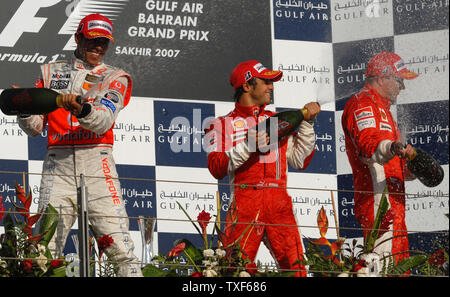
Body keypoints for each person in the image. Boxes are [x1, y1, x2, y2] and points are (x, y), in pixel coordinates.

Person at [17, 13, 142, 276]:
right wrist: (25, 109)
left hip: (98, 164)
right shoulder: (50, 72)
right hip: (58, 164)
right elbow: (35, 128)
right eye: (93, 40)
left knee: (120, 249)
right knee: (43, 249)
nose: (98, 47)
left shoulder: (116, 77)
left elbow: (103, 120)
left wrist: (82, 111)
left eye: (104, 43)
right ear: (78, 37)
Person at [205, 60, 320, 277]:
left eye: (272, 82)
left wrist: (307, 124)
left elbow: (299, 160)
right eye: (266, 81)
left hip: (279, 203)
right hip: (245, 201)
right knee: (235, 270)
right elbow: (216, 167)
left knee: (296, 270)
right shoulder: (218, 124)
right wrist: (248, 145)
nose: (271, 87)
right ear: (247, 85)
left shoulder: (278, 120)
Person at [341, 51, 418, 265]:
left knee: (398, 268)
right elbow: (369, 145)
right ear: (383, 78)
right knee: (384, 267)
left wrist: (413, 167)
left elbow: (391, 158)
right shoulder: (362, 103)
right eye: (400, 80)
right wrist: (392, 146)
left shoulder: (384, 110)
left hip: (393, 204)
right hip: (379, 203)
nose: (403, 87)